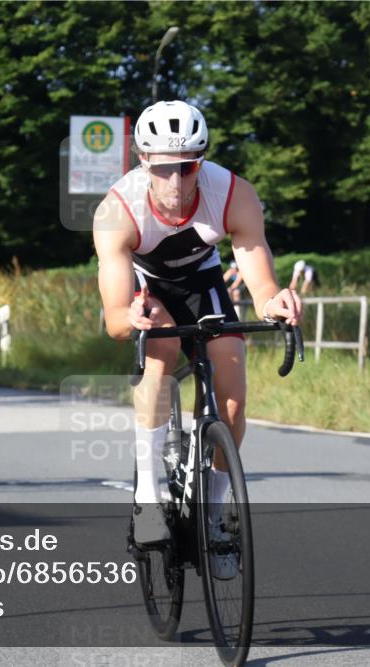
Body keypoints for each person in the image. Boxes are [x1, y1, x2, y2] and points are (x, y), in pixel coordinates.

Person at [93, 100, 302, 564]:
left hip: (203, 284)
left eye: (187, 168)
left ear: (200, 161)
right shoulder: (117, 210)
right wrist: (132, 318)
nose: (175, 181)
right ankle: (148, 497)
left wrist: (274, 301)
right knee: (160, 360)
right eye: (164, 168)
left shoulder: (232, 192)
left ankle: (214, 509)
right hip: (147, 291)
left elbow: (257, 270)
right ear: (144, 160)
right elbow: (113, 317)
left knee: (232, 398)